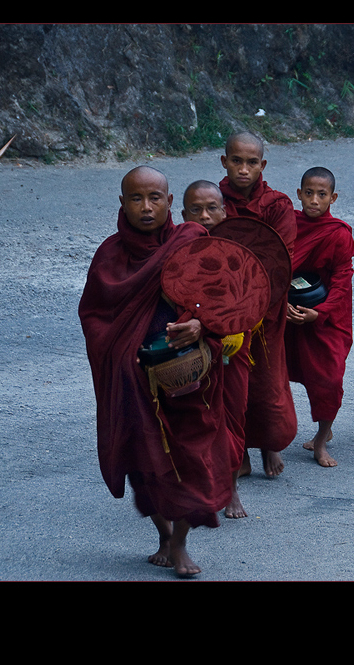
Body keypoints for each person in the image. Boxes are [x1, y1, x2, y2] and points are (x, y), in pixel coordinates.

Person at [78, 166, 233, 578]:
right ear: (122, 203)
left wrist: (201, 325)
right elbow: (94, 315)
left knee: (195, 458)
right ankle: (163, 535)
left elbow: (222, 299)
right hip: (133, 378)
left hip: (188, 376)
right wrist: (120, 352)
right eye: (136, 199)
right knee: (143, 460)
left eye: (155, 198)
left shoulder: (191, 241)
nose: (146, 208)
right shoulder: (110, 257)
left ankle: (181, 542)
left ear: (170, 202)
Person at [217, 132, 298, 478]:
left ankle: (268, 443)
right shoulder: (213, 199)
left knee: (266, 380)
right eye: (237, 161)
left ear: (262, 165)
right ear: (225, 162)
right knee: (231, 383)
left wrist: (253, 306)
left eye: (252, 162)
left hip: (265, 307)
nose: (244, 169)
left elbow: (281, 258)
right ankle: (239, 450)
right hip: (224, 306)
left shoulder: (277, 205)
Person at [180, 179, 248, 519]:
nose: (205, 216)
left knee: (232, 418)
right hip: (193, 348)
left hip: (233, 348)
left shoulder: (238, 248)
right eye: (196, 209)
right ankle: (198, 487)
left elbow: (253, 296)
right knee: (199, 421)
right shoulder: (178, 250)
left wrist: (240, 327)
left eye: (212, 209)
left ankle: (232, 487)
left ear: (224, 211)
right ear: (182, 214)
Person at [285, 167, 354, 467]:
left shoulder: (338, 234)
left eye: (322, 194)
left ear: (333, 198)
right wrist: (279, 305)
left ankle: (321, 438)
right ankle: (270, 440)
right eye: (309, 193)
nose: (314, 200)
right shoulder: (288, 225)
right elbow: (276, 265)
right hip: (288, 311)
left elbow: (342, 280)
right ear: (299, 194)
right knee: (274, 376)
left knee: (329, 379)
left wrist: (320, 313)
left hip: (325, 315)